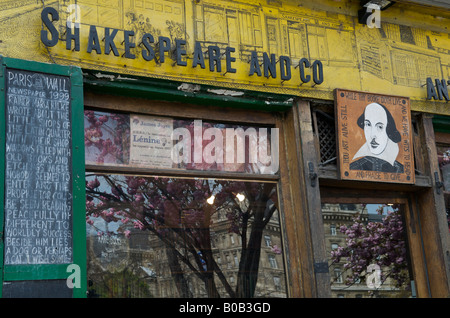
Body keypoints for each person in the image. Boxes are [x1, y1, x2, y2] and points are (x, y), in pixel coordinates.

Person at [349, 102, 404, 173]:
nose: (372, 135)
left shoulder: (400, 170)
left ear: (389, 130)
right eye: (368, 124)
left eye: (380, 127)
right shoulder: (354, 167)